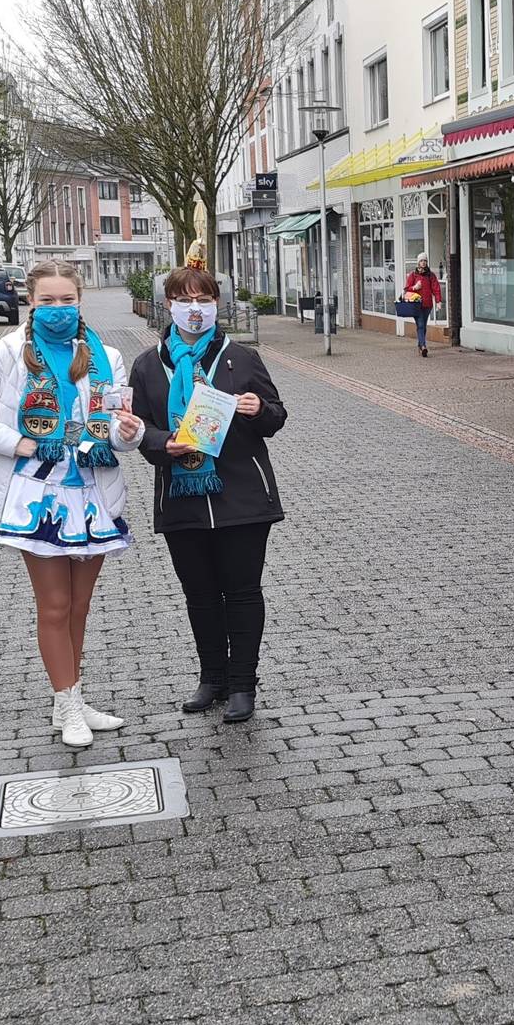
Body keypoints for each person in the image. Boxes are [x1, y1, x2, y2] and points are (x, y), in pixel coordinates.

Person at [0, 263, 143, 745]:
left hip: (92, 493)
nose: (57, 310)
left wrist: (127, 434)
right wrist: (15, 442)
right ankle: (68, 704)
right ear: (31, 302)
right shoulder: (10, 351)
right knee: (53, 604)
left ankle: (68, 697)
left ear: (80, 301)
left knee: (81, 605)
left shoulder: (105, 356)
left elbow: (111, 428)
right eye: (47, 301)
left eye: (66, 300)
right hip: (35, 496)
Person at [127, 255, 287, 723]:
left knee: (241, 592)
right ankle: (211, 677)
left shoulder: (242, 358)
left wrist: (259, 408)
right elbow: (139, 428)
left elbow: (276, 417)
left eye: (203, 299)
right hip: (182, 497)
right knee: (198, 594)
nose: (194, 309)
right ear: (167, 306)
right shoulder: (147, 367)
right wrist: (161, 442)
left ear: (218, 304)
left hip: (241, 496)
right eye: (183, 300)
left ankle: (242, 685)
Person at [402, 257, 444, 356]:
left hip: (428, 304)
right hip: (416, 305)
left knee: (423, 326)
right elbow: (406, 289)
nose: (423, 262)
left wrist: (438, 301)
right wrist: (415, 287)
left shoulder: (430, 275)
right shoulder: (413, 275)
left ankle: (420, 345)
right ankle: (423, 346)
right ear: (418, 263)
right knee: (420, 325)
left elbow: (436, 289)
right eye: (421, 261)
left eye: (425, 261)